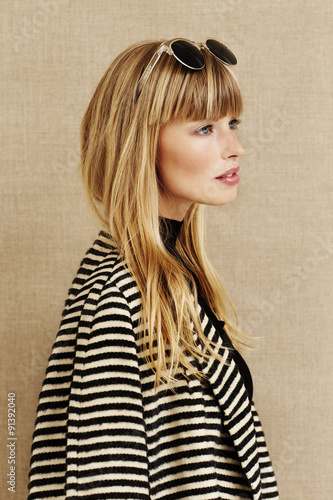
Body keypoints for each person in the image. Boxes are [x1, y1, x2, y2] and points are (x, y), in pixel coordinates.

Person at [28, 39, 279, 499]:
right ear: (140, 142)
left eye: (232, 123)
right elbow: (104, 483)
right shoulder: (119, 293)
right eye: (205, 128)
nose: (236, 147)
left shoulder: (173, 279)